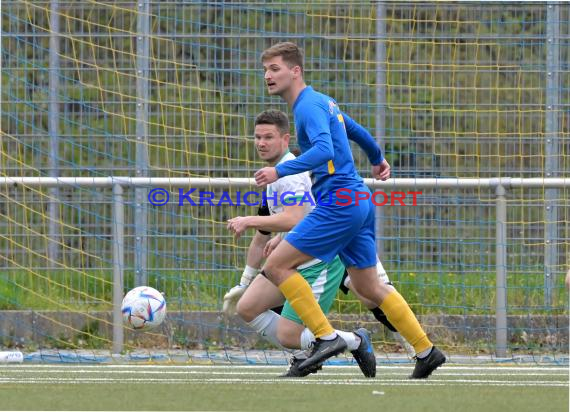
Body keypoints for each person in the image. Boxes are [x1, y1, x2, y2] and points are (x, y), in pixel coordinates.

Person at [253, 42, 445, 379]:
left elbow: (325, 149)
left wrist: (280, 170)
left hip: (339, 202)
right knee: (370, 287)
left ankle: (326, 338)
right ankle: (426, 351)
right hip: (358, 200)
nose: (268, 76)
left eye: (275, 69)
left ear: (295, 71)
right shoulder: (323, 102)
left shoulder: (307, 108)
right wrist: (377, 158)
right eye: (266, 70)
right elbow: (355, 130)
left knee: (276, 265)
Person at [225, 109, 375, 378]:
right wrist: (244, 282)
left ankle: (355, 340)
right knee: (247, 307)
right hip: (289, 260)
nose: (261, 143)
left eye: (268, 137)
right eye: (257, 137)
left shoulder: (290, 174)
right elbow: (277, 227)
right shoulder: (273, 175)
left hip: (317, 262)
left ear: (285, 139)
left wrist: (247, 220)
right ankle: (303, 355)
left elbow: (293, 218)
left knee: (288, 334)